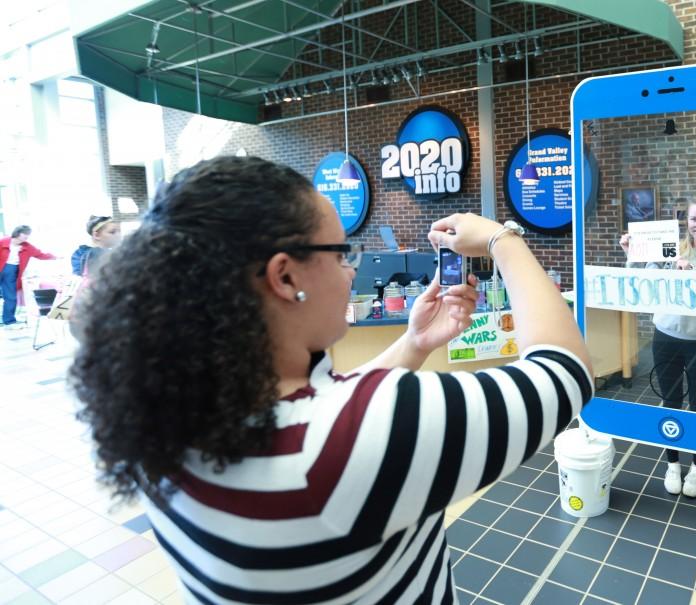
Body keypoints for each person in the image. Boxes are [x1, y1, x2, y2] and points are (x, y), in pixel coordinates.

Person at [69, 156, 593, 604]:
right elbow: (565, 372)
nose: (350, 272)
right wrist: (504, 241)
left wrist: (413, 344)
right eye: (341, 254)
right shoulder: (353, 440)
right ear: (285, 276)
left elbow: (326, 414)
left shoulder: (169, 410)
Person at [619, 196, 696, 498]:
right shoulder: (671, 248)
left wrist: (695, 275)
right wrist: (632, 254)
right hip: (665, 336)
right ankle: (672, 463)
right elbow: (639, 281)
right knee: (670, 402)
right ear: (687, 221)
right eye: (694, 218)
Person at [0, 225, 57, 328]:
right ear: (17, 233)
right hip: (1, 268)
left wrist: (54, 257)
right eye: (25, 234)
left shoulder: (27, 246)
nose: (27, 236)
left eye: (28, 234)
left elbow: (40, 254)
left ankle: (9, 321)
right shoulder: (3, 242)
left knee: (11, 297)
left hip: (12, 271)